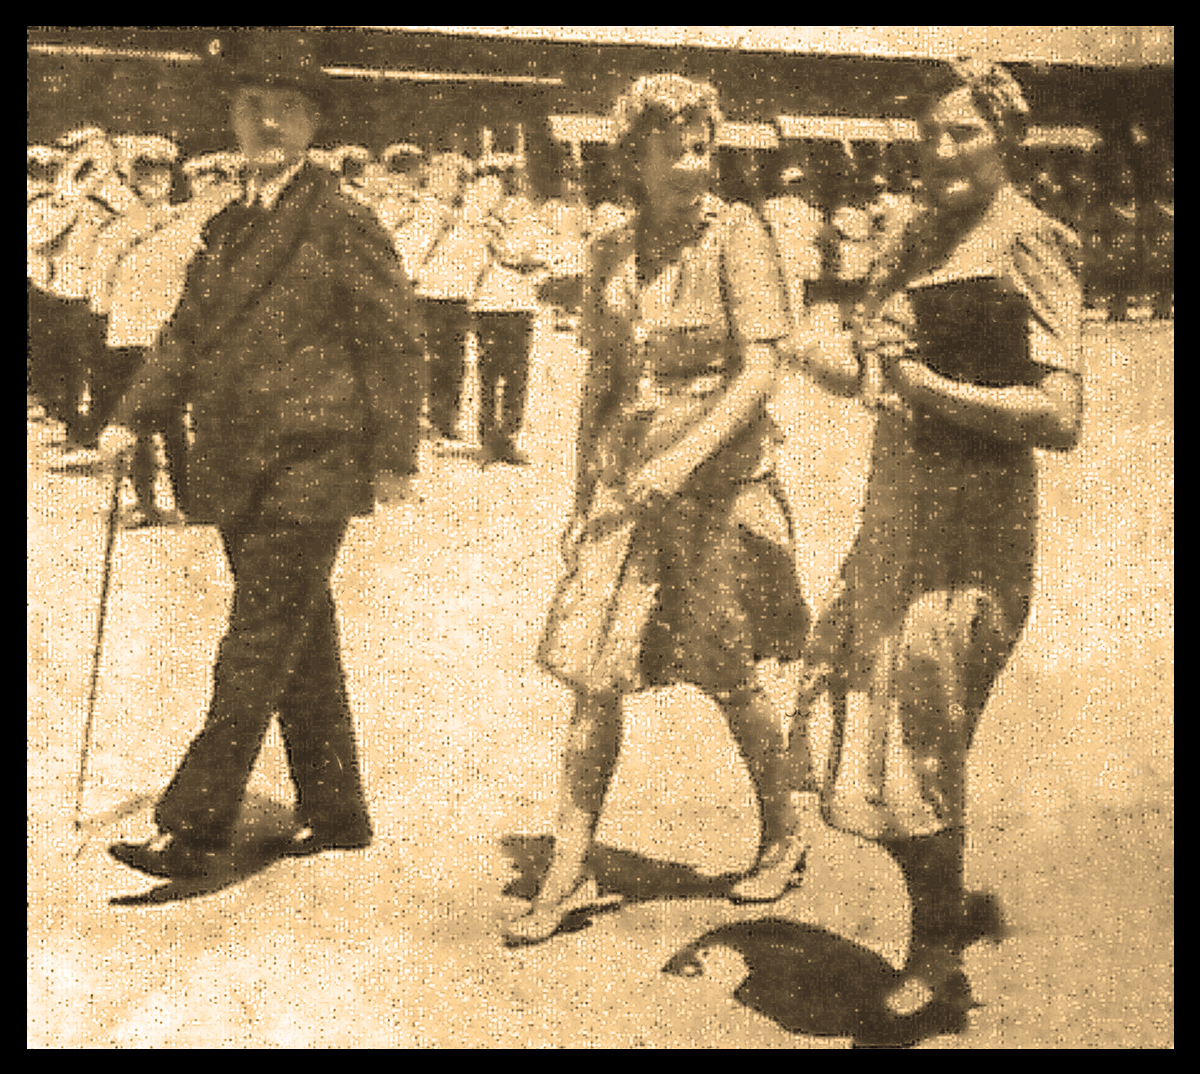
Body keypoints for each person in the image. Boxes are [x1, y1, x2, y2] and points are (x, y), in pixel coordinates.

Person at [796, 56, 1083, 1043]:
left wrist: (930, 391)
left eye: (964, 132)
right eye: (932, 133)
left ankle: (936, 956)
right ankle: (945, 926)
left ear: (1006, 138)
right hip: (897, 515)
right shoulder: (914, 234)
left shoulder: (1032, 240)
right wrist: (804, 351)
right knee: (881, 736)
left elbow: (1060, 413)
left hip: (977, 530)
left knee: (923, 741)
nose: (944, 150)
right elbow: (875, 374)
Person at [98, 29, 426, 880]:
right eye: (252, 108)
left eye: (285, 109)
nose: (267, 123)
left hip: (313, 462)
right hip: (241, 462)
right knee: (297, 636)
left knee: (253, 643)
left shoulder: (343, 218)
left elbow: (395, 341)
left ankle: (193, 825)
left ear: (313, 121)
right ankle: (337, 809)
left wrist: (395, 453)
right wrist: (131, 417)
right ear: (233, 118)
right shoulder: (231, 223)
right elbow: (184, 335)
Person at [506, 75, 823, 946]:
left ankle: (786, 829)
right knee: (589, 674)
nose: (693, 166)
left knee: (726, 669)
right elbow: (600, 385)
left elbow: (761, 368)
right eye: (674, 150)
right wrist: (582, 500)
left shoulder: (741, 235)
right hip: (627, 482)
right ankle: (568, 868)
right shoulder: (610, 247)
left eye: (702, 148)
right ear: (634, 158)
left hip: (719, 482)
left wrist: (683, 462)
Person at [472, 155, 553, 466]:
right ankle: (488, 439)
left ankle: (507, 437)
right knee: (489, 374)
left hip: (519, 302)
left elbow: (542, 253)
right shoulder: (478, 212)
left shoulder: (528, 214)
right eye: (508, 175)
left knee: (517, 375)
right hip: (489, 302)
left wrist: (520, 256)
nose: (513, 180)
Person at [407, 152, 478, 446]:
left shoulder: (470, 214)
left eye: (455, 179)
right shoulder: (421, 209)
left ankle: (447, 418)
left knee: (455, 361)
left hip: (458, 294)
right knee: (428, 358)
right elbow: (411, 248)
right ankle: (423, 417)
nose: (449, 184)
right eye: (443, 176)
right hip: (427, 292)